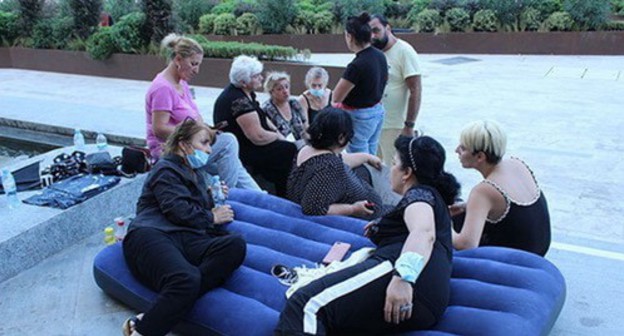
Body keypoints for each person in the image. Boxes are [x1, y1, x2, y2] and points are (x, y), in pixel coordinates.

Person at [276, 135, 460, 335]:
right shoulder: (433, 197)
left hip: (407, 282)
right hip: (426, 296)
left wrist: (403, 279)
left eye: (394, 163)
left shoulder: (420, 195)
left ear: (407, 172)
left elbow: (423, 233)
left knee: (305, 305)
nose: (390, 171)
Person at [122, 119, 246, 336]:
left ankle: (167, 305)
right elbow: (177, 210)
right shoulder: (165, 169)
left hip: (183, 237)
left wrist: (210, 196)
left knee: (234, 245)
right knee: (186, 279)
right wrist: (211, 216)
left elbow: (189, 211)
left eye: (209, 145)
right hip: (151, 233)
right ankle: (141, 330)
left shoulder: (193, 173)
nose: (208, 150)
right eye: (204, 143)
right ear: (183, 144)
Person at [145, 33, 260, 190]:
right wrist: (198, 134)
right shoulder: (163, 88)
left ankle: (260, 197)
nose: (196, 70)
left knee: (232, 161)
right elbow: (159, 129)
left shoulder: (182, 83)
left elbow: (195, 117)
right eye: (193, 64)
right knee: (229, 142)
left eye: (198, 64)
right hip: (171, 151)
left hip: (192, 145)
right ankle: (228, 197)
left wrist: (208, 131)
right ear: (178, 59)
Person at [450, 120, 551, 256]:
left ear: (480, 156)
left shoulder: (483, 191)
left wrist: (442, 224)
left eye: (463, 148)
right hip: (538, 249)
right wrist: (467, 206)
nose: (456, 150)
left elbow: (466, 245)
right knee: (460, 214)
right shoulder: (516, 164)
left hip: (517, 260)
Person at [213, 55, 297, 197]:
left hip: (249, 143)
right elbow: (257, 136)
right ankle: (282, 194)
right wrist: (277, 136)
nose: (261, 78)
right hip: (243, 149)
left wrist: (276, 132)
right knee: (288, 150)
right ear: (244, 81)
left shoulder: (246, 93)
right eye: (256, 76)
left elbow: (261, 116)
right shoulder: (238, 100)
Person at [287, 107, 386, 220]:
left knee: (361, 170)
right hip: (361, 218)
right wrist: (353, 209)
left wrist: (367, 157)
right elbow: (313, 209)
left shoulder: (306, 150)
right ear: (341, 138)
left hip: (356, 201)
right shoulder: (329, 167)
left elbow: (341, 158)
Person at [369, 14, 422, 166]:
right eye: (369, 32)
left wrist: (409, 126)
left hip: (396, 126)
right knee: (375, 170)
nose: (372, 36)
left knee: (396, 172)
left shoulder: (404, 51)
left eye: (376, 30)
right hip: (374, 124)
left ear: (388, 28)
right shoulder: (373, 52)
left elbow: (416, 90)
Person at [332, 12, 388, 155]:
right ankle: (372, 177)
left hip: (360, 116)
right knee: (371, 151)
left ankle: (364, 178)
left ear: (350, 37)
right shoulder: (380, 55)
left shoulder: (356, 65)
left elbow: (336, 96)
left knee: (360, 158)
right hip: (377, 111)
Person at [261, 71, 308, 148]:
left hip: (302, 146)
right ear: (271, 92)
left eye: (286, 87)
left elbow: (305, 125)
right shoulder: (267, 109)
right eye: (279, 89)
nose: (285, 91)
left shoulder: (294, 103)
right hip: (280, 148)